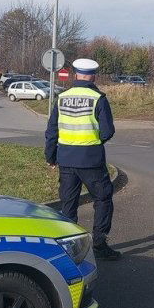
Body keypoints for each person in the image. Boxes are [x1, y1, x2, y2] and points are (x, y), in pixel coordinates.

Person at [45, 58, 121, 260]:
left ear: (75, 74)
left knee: (68, 204)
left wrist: (50, 156)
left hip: (66, 160)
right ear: (93, 76)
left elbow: (51, 131)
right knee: (102, 199)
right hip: (91, 160)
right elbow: (107, 131)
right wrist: (94, 141)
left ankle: (68, 247)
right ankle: (99, 244)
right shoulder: (98, 98)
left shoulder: (62, 97)